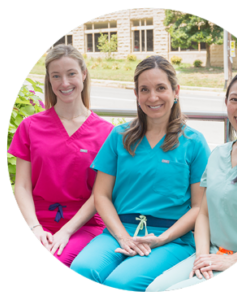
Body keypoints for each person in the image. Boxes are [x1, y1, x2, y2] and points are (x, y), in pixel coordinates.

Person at [70, 55, 211, 291]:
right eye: (144, 89)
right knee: (82, 270)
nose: (152, 97)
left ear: (176, 91)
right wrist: (123, 236)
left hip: (171, 238)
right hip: (118, 231)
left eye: (161, 88)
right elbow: (101, 195)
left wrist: (162, 238)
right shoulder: (119, 137)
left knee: (122, 283)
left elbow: (199, 207)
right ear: (136, 94)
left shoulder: (194, 142)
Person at [145, 68, 237, 291]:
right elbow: (203, 213)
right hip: (211, 253)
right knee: (154, 290)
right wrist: (202, 256)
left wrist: (233, 260)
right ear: (226, 103)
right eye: (235, 100)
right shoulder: (218, 154)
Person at [8, 44, 114, 267]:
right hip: (34, 220)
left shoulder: (105, 132)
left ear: (84, 74)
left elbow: (100, 194)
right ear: (49, 80)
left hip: (83, 224)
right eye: (56, 76)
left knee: (56, 260)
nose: (64, 83)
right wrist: (34, 227)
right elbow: (22, 186)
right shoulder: (29, 127)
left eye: (71, 74)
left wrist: (65, 232)